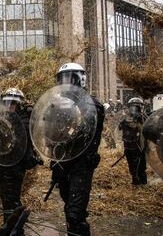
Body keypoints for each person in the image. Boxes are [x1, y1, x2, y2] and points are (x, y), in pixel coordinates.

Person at [50, 63, 104, 236]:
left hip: (81, 163)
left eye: (70, 78)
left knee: (75, 212)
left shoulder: (91, 104)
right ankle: (73, 229)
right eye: (63, 79)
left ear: (80, 79)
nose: (66, 83)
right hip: (63, 161)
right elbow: (51, 133)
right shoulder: (58, 104)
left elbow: (88, 129)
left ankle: (77, 229)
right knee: (68, 204)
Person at [0, 88, 42, 226]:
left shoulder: (25, 120)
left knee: (12, 196)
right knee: (5, 195)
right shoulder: (4, 117)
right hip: (4, 163)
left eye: (13, 104)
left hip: (16, 164)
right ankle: (10, 225)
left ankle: (15, 228)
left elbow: (20, 139)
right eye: (7, 103)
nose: (9, 107)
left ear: (20, 104)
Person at [119, 97, 147, 185]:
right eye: (132, 107)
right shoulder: (125, 118)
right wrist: (124, 120)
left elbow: (146, 129)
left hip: (139, 147)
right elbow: (119, 128)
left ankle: (141, 182)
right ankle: (135, 180)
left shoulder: (143, 117)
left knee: (140, 166)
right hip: (128, 146)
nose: (134, 109)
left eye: (136, 107)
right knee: (131, 166)